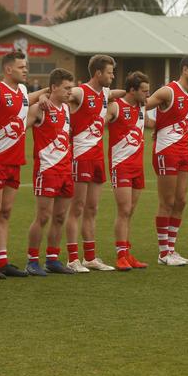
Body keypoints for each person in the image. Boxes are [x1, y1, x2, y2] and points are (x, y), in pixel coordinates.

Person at [0, 50, 52, 278]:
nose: (26, 70)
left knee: (6, 212)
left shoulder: (21, 91)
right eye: (22, 67)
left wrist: (44, 94)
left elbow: (28, 99)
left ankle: (2, 261)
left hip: (15, 161)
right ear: (8, 69)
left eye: (26, 67)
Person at [66, 54, 125, 272]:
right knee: (77, 208)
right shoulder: (81, 92)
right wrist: (45, 97)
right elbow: (61, 94)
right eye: (110, 72)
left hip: (98, 158)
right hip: (80, 157)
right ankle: (72, 259)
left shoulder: (105, 93)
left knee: (92, 208)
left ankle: (89, 257)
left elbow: (119, 93)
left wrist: (132, 92)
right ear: (98, 73)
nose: (113, 76)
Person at [146, 56, 188, 267]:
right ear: (185, 70)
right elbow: (139, 104)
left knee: (181, 201)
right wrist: (152, 124)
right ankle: (163, 253)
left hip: (183, 152)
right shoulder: (167, 91)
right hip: (166, 151)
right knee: (167, 202)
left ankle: (171, 249)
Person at [24, 68, 76, 276]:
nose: (70, 92)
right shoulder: (40, 108)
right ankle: (32, 260)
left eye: (71, 88)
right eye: (66, 88)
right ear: (54, 87)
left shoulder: (66, 109)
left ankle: (52, 259)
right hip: (47, 170)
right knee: (43, 216)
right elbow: (22, 125)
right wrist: (41, 97)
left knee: (60, 216)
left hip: (66, 170)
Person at [107, 71, 150, 271]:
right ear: (131, 90)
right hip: (121, 165)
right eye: (143, 91)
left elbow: (150, 122)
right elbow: (98, 123)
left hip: (137, 166)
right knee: (123, 210)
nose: (147, 95)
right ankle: (120, 255)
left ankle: (127, 252)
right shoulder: (116, 106)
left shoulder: (143, 107)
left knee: (130, 212)